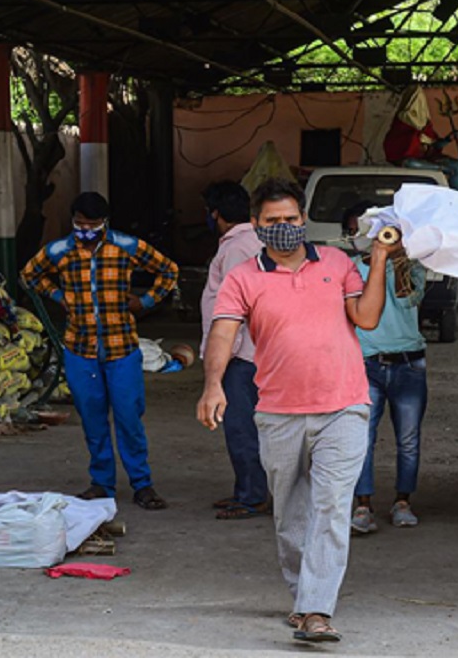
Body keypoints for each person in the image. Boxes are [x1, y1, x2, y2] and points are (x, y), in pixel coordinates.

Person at [196, 180, 394, 643]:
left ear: (302, 220)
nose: (283, 228)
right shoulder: (243, 276)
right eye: (272, 222)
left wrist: (380, 260)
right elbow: (223, 333)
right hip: (280, 411)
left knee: (330, 507)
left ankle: (316, 609)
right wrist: (212, 385)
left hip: (343, 406)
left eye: (290, 219)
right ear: (256, 226)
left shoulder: (338, 263)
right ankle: (301, 595)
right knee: (289, 513)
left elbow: (366, 318)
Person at [21, 192, 178, 510]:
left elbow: (169, 270)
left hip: (122, 350)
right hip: (80, 351)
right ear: (73, 221)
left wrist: (145, 301)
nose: (86, 230)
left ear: (105, 223)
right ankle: (101, 483)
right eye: (80, 224)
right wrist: (58, 296)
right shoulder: (59, 250)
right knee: (93, 421)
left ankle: (142, 484)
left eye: (93, 225)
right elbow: (29, 274)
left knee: (128, 419)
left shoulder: (127, 246)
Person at [341, 202, 428, 534]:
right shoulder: (349, 269)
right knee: (362, 437)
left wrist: (395, 258)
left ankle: (402, 501)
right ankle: (363, 506)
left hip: (408, 362)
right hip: (366, 363)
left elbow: (408, 300)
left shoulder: (412, 267)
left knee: (408, 438)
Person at [199, 181, 268, 520]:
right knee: (250, 428)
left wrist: (221, 360)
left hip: (242, 356)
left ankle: (253, 495)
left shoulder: (237, 249)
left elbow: (234, 311)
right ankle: (249, 490)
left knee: (242, 428)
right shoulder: (247, 242)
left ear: (216, 214)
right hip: (252, 353)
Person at [382, 85, 458, 190]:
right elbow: (395, 152)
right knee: (411, 163)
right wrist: (415, 136)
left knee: (456, 165)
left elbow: (435, 145)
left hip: (427, 159)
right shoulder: (400, 125)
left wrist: (447, 139)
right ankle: (441, 169)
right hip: (411, 161)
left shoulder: (425, 125)